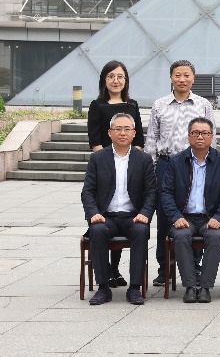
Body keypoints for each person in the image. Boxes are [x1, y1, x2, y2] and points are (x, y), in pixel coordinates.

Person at [145, 60, 216, 287]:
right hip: (167, 165)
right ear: (171, 78)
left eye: (186, 75)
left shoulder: (203, 105)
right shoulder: (159, 105)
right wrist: (151, 170)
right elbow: (151, 139)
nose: (182, 79)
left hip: (195, 164)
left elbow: (211, 137)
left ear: (193, 78)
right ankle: (164, 268)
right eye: (177, 75)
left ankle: (194, 267)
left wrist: (212, 165)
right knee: (165, 217)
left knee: (195, 214)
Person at [81, 113, 155, 305]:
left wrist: (145, 214)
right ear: (110, 133)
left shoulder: (144, 159)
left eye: (127, 129)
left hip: (133, 216)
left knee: (141, 231)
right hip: (106, 217)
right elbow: (88, 191)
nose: (123, 133)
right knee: (97, 231)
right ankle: (103, 288)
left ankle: (135, 288)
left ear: (134, 133)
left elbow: (151, 192)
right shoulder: (97, 158)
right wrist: (93, 214)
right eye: (118, 129)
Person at [160, 117, 220, 303]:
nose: (200, 137)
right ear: (188, 136)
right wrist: (175, 216)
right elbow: (166, 193)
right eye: (195, 133)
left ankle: (206, 288)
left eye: (204, 133)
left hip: (211, 217)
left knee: (216, 236)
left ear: (212, 136)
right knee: (180, 235)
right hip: (184, 217)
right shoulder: (176, 162)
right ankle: (190, 287)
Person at [86, 60, 145, 287]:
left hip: (130, 165)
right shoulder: (97, 105)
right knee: (107, 212)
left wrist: (134, 164)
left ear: (126, 80)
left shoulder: (132, 105)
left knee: (124, 214)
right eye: (111, 76)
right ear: (104, 80)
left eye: (120, 76)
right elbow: (95, 139)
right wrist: (107, 164)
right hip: (105, 166)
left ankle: (115, 268)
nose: (116, 80)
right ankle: (107, 271)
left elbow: (138, 138)